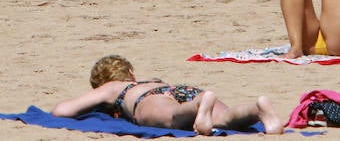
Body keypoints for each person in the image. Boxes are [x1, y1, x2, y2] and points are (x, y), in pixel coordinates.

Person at [51, 54, 281, 135]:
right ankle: (257, 109)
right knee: (225, 118)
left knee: (173, 116)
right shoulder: (149, 80)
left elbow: (61, 111)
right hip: (177, 89)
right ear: (131, 72)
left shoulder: (113, 88)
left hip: (149, 100)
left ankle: (198, 105)